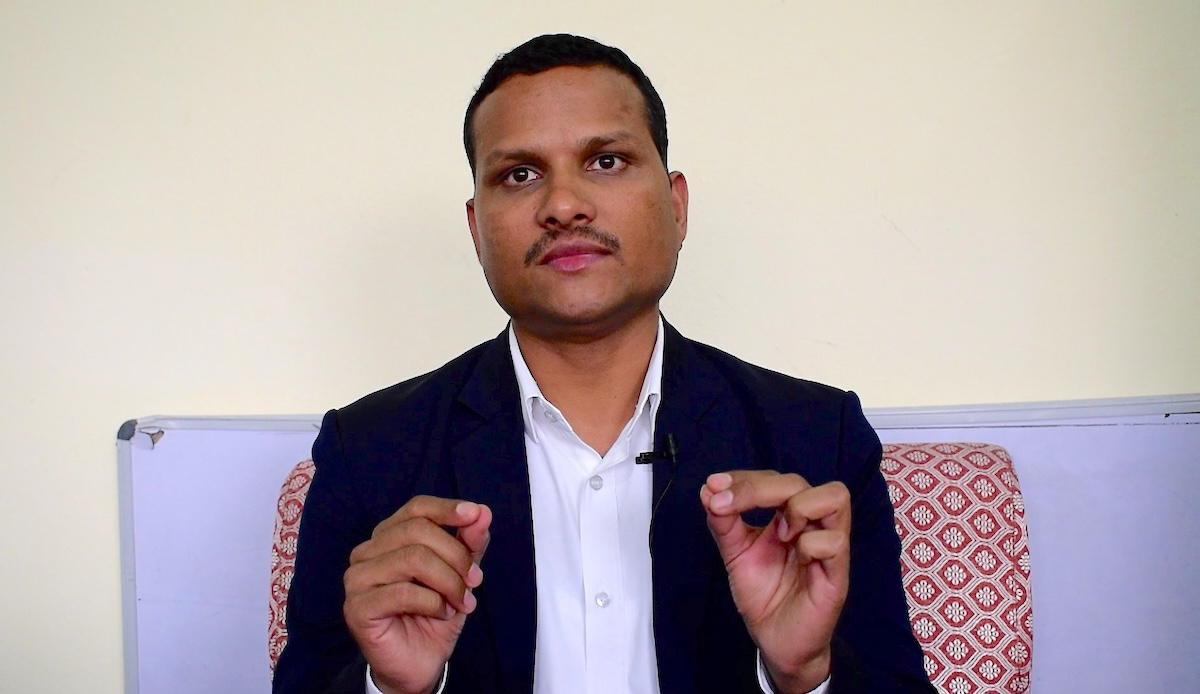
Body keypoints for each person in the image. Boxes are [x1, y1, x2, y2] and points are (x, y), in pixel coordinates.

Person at [273, 34, 933, 694]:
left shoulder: (817, 438)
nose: (563, 205)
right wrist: (391, 688)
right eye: (520, 175)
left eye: (607, 161)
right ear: (476, 230)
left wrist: (804, 674)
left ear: (676, 206)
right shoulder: (369, 452)